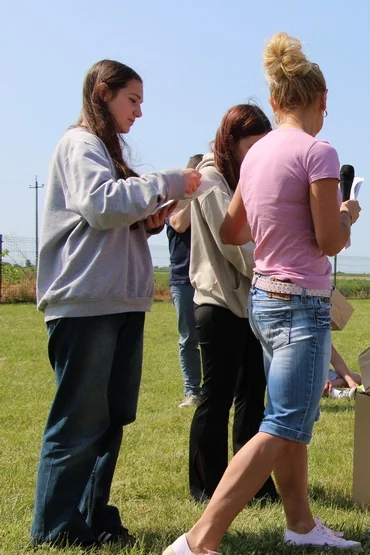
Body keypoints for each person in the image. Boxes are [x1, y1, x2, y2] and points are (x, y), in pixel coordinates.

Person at [165, 33, 362, 554]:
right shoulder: (320, 152)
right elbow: (329, 241)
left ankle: (300, 525)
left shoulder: (254, 157)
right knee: (283, 423)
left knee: (288, 417)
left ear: (275, 103)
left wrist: (278, 219)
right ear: (321, 101)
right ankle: (199, 538)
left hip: (263, 303)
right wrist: (345, 215)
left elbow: (234, 232)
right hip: (302, 304)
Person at [32, 60, 199, 548]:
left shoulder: (102, 151)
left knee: (110, 418)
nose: (139, 112)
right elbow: (101, 206)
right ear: (103, 93)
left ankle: (91, 515)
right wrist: (168, 182)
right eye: (133, 100)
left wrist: (147, 220)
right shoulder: (79, 144)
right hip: (86, 306)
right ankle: (57, 527)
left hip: (118, 303)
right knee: (80, 420)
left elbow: (108, 216)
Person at [186, 104, 278, 504]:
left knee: (252, 395)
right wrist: (277, 265)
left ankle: (251, 482)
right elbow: (235, 244)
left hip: (248, 303)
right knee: (217, 395)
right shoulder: (209, 179)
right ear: (230, 141)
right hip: (217, 303)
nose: (256, 154)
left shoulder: (244, 179)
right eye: (251, 146)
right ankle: (207, 486)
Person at [167, 154, 204, 408]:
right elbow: (179, 225)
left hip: (209, 278)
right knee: (188, 338)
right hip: (183, 280)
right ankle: (192, 390)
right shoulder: (176, 203)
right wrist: (196, 194)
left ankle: (217, 389)